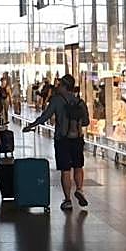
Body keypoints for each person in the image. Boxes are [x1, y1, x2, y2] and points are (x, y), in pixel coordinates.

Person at [23, 74, 90, 211]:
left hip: (62, 139)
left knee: (65, 170)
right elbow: (86, 122)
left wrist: (32, 125)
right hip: (77, 139)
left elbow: (45, 116)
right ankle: (79, 189)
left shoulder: (57, 100)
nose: (58, 87)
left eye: (60, 85)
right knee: (78, 166)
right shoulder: (80, 102)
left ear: (65, 86)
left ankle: (68, 200)